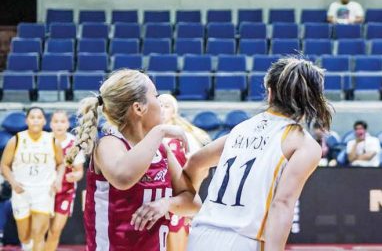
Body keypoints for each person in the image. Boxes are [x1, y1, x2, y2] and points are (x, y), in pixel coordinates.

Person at [183, 57, 332, 251]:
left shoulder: (240, 129)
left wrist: (190, 204)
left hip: (201, 235)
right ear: (312, 98)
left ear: (269, 93)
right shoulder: (304, 144)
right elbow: (282, 204)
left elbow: (194, 162)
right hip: (244, 240)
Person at [66, 69, 200, 251]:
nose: (160, 102)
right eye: (156, 95)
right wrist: (159, 131)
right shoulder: (109, 143)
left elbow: (193, 202)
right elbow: (123, 178)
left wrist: (166, 203)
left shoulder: (161, 149)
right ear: (138, 108)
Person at [0, 107, 64, 251]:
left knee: (39, 234)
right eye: (32, 117)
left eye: (39, 117)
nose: (35, 120)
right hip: (21, 192)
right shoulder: (15, 140)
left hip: (44, 191)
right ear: (26, 120)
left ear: (44, 120)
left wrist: (58, 179)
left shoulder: (52, 140)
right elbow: (4, 165)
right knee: (24, 236)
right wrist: (13, 182)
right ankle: (27, 246)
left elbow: (60, 164)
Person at [159, 93, 211, 251]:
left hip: (176, 201)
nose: (161, 108)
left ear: (174, 112)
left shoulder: (186, 136)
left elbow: (203, 170)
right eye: (158, 104)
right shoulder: (145, 137)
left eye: (166, 106)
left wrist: (189, 196)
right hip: (152, 200)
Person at [46, 111, 85, 251]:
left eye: (62, 121)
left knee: (55, 230)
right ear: (50, 124)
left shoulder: (74, 143)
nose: (59, 125)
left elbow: (80, 171)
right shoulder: (44, 140)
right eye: (56, 121)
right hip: (44, 191)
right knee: (39, 231)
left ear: (68, 124)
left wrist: (76, 175)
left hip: (65, 191)